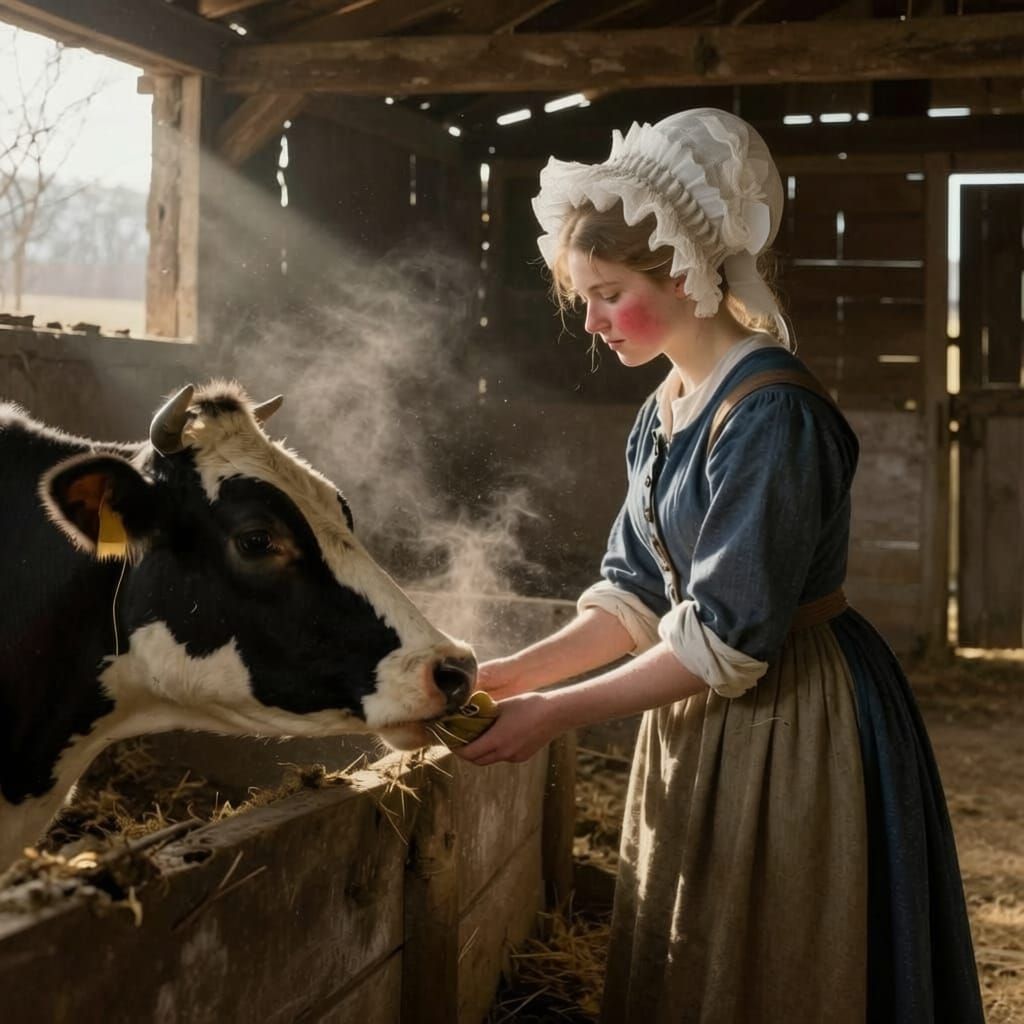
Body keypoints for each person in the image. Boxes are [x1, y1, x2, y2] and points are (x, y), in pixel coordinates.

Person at [456, 108, 984, 1023]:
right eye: (582, 295)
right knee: (700, 947)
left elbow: (729, 641)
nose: (591, 320)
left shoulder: (771, 414)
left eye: (610, 291)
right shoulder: (667, 404)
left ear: (688, 274)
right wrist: (506, 678)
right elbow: (631, 597)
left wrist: (552, 715)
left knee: (782, 954)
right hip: (695, 709)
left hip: (796, 716)